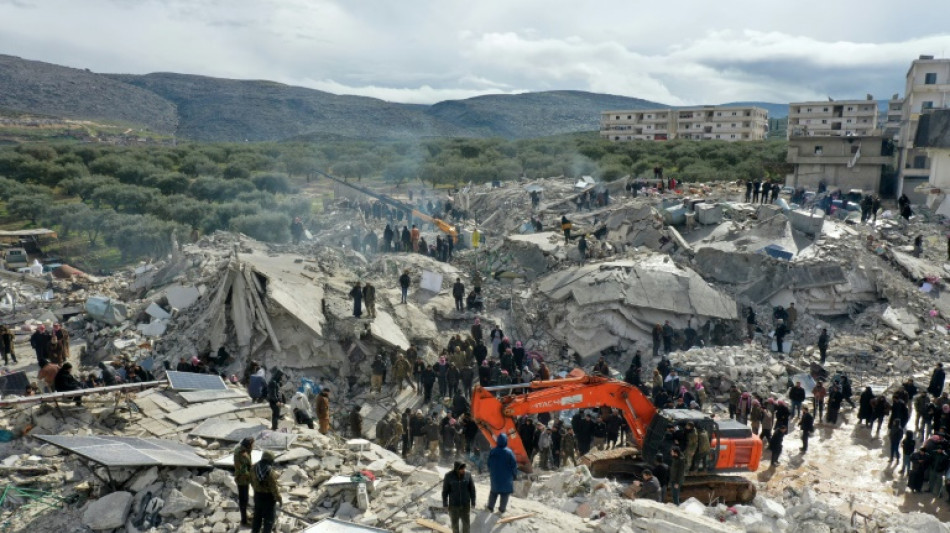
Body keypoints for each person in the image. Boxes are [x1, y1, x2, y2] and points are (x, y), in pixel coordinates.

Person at [250, 451, 282, 533]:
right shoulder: (270, 471)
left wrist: (257, 490)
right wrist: (279, 499)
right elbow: (274, 488)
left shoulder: (253, 467)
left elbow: (251, 482)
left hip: (257, 496)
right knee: (269, 520)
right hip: (268, 499)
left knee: (257, 518)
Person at [487, 434, 517, 515]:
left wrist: (492, 472)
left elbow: (489, 464)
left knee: (493, 492)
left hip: (495, 477)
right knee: (505, 494)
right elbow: (514, 465)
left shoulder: (493, 451)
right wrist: (514, 475)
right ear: (506, 441)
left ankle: (490, 507)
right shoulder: (509, 452)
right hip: (506, 478)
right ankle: (501, 509)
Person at [442, 461, 476, 533]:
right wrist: (445, 504)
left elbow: (472, 489)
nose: (463, 470)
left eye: (464, 468)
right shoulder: (448, 476)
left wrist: (473, 502)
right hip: (453, 506)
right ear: (457, 469)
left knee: (466, 524)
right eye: (461, 469)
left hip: (465, 505)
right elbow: (445, 492)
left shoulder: (468, 475)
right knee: (454, 525)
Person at [233, 437, 254, 526]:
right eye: (252, 444)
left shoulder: (241, 449)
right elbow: (243, 469)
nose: (253, 446)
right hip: (242, 479)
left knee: (244, 499)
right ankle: (244, 520)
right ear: (249, 445)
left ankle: (244, 517)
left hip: (242, 477)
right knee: (243, 499)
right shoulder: (242, 454)